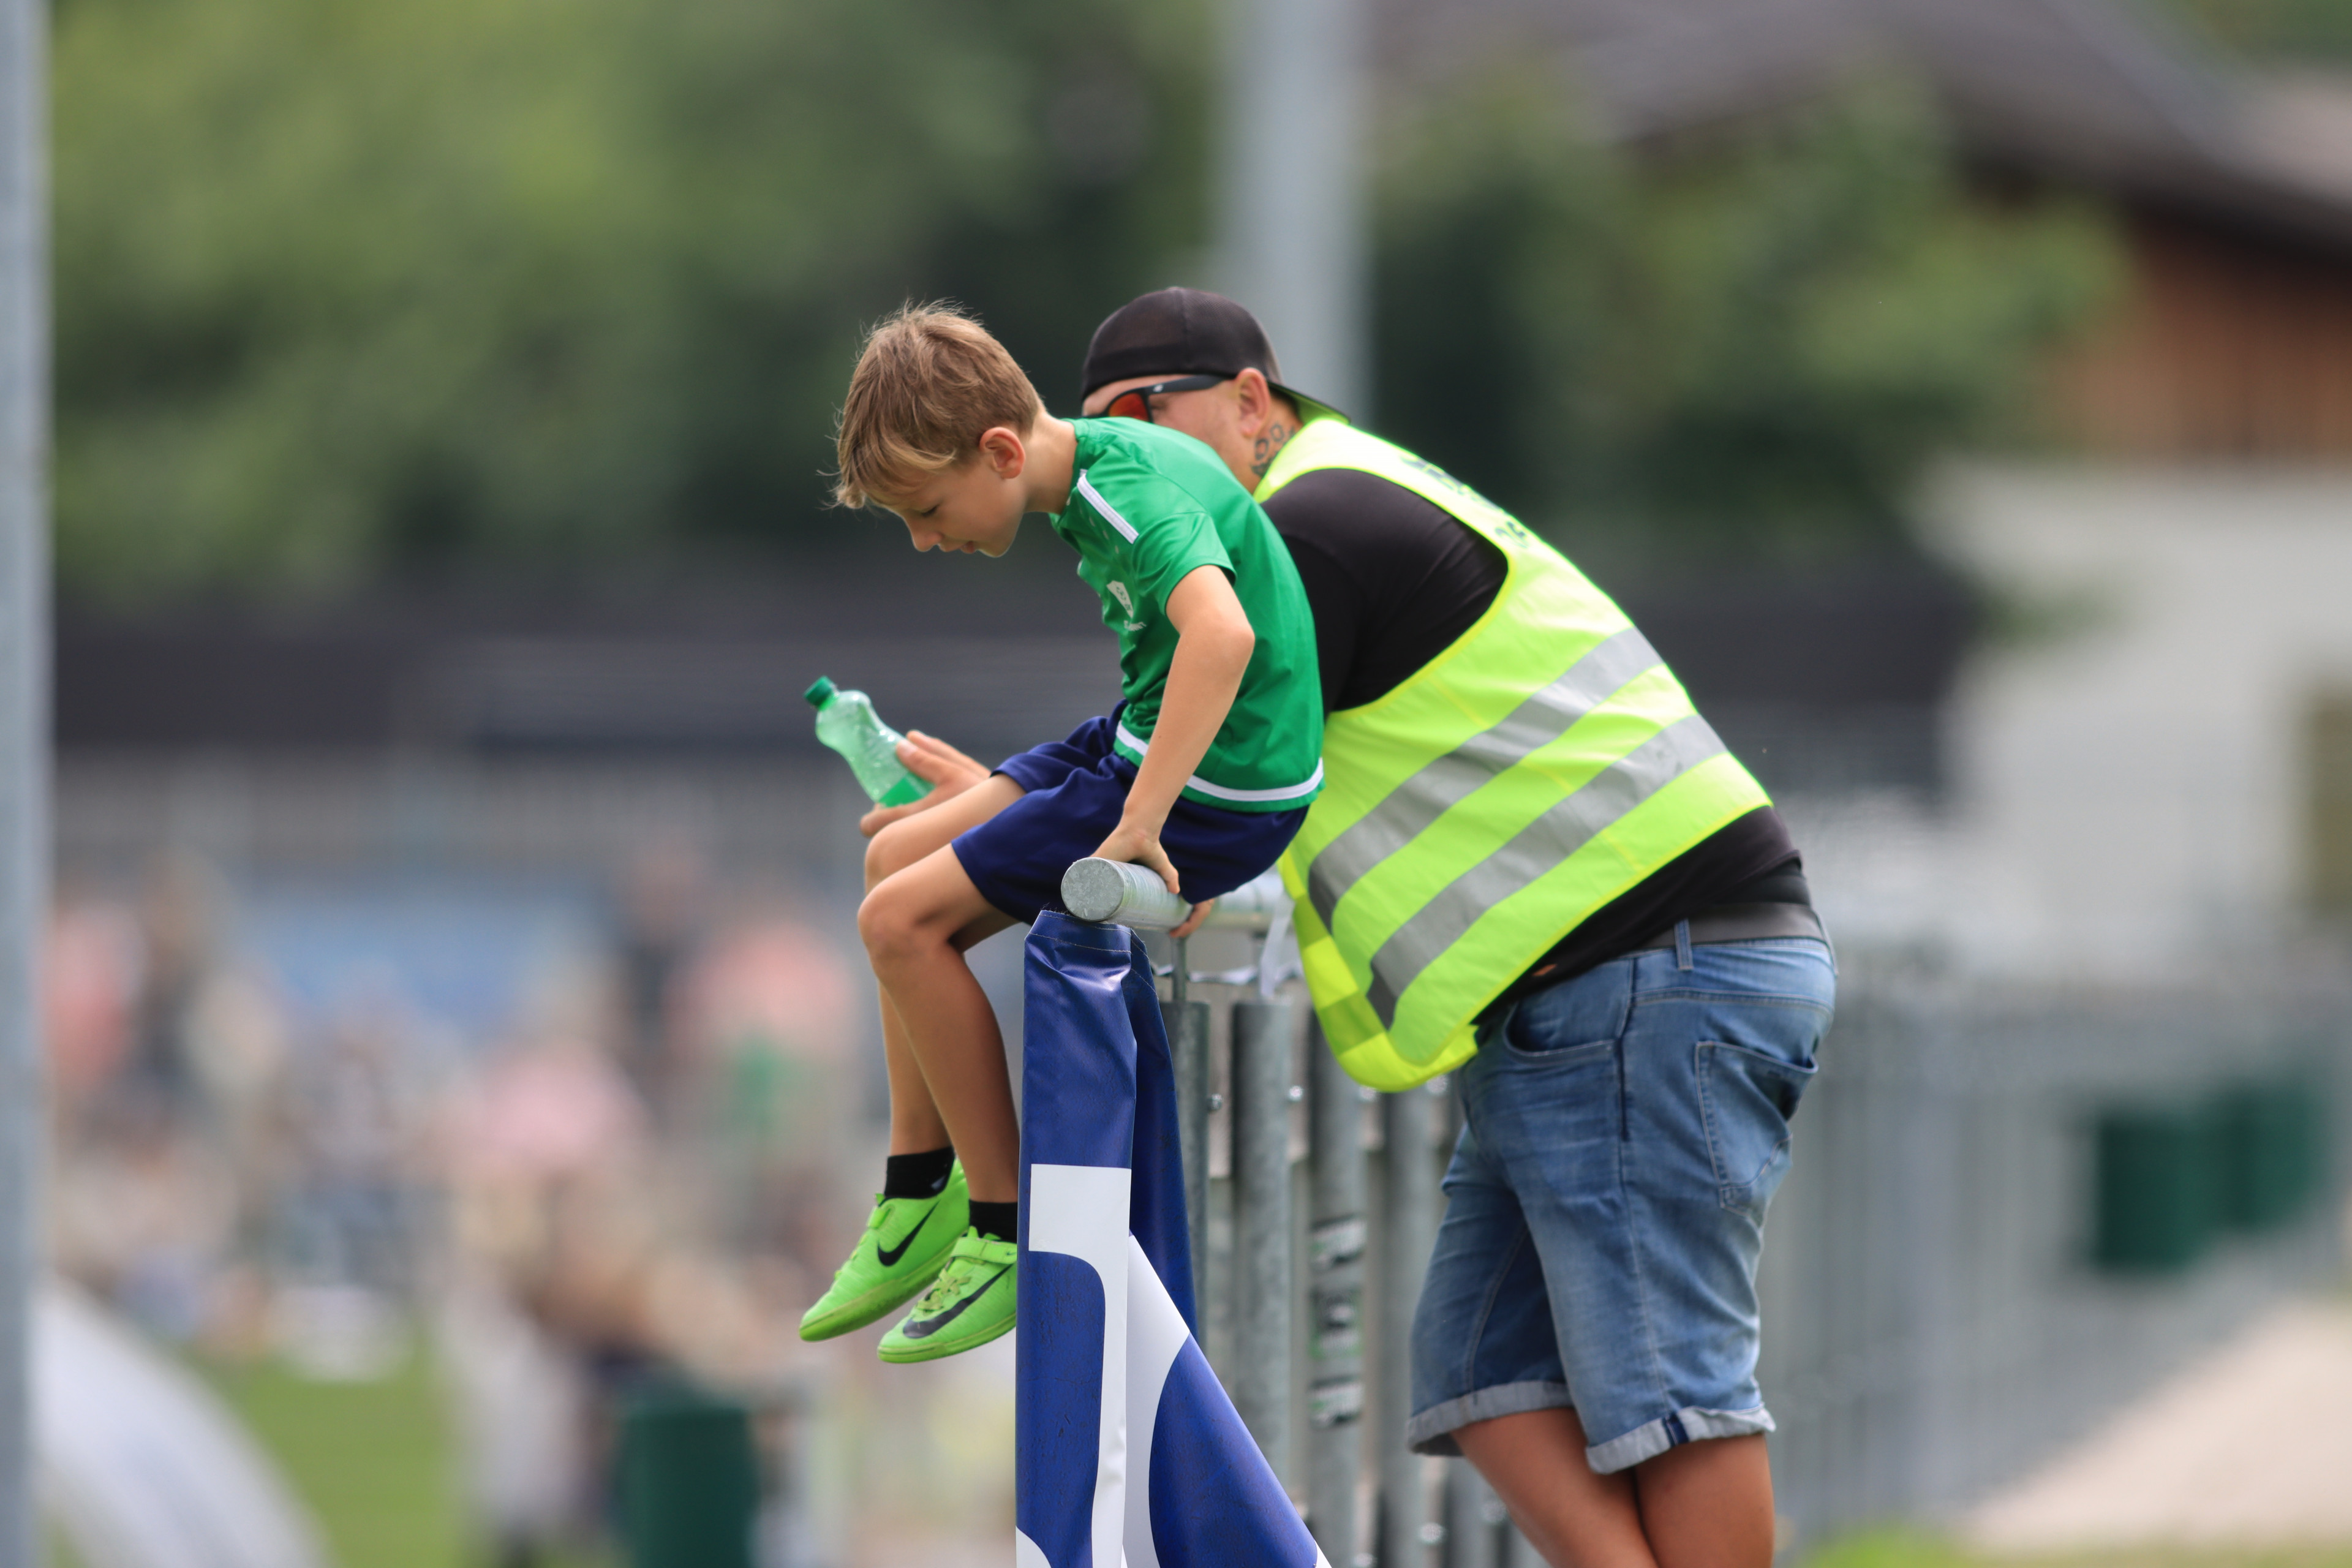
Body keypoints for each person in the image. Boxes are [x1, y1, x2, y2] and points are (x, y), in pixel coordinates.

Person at [874, 288, 1833, 1568]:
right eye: (1099, 432)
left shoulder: (1307, 527)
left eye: (1146, 420)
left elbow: (1183, 768)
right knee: (1480, 1375)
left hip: (1647, 968)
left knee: (1674, 1396)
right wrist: (1006, 802)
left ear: (1253, 403)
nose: (1126, 458)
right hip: (1610, 983)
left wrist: (1025, 823)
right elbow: (1165, 747)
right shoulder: (1316, 508)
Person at [802, 303, 1323, 1364]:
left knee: (900, 925)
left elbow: (1220, 637)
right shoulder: (1096, 470)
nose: (924, 538)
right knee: (895, 858)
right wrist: (1004, 800)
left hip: (1215, 792)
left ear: (999, 450)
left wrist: (1141, 824)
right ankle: (916, 1194)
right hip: (1148, 747)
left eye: (929, 508)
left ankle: (998, 1223)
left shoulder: (1117, 488)